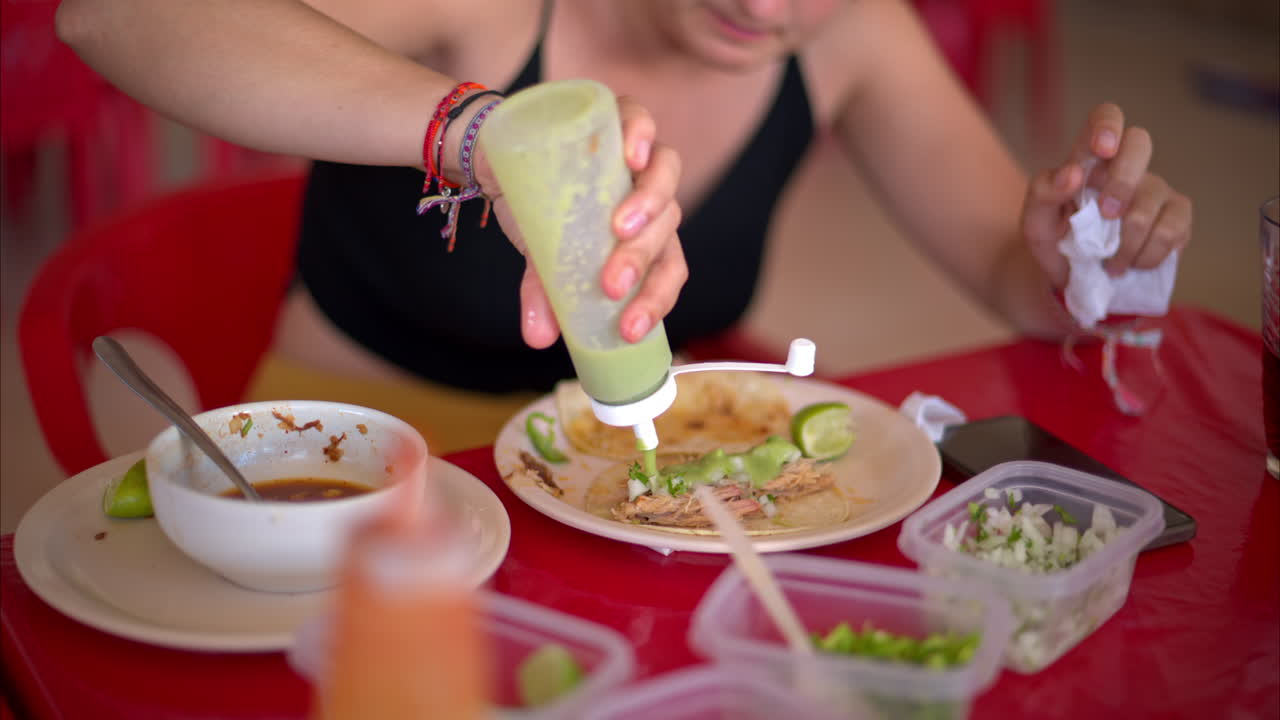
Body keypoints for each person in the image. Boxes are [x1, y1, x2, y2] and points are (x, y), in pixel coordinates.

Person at [56, 0, 1191, 452]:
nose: (770, 7)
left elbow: (1012, 275)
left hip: (611, 482)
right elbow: (113, 14)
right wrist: (474, 133)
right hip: (367, 463)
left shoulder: (855, 37)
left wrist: (1078, 264)